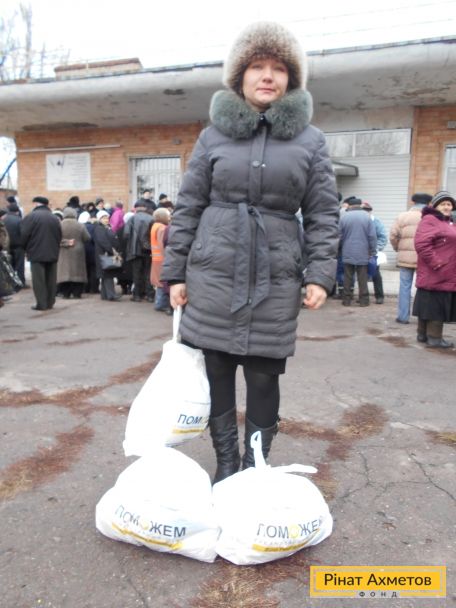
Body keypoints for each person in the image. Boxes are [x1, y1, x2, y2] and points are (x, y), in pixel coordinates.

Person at [161, 22, 339, 483]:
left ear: (291, 79)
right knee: (217, 371)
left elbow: (323, 213)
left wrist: (320, 273)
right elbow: (188, 206)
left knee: (263, 376)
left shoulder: (311, 140)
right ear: (240, 75)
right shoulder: (212, 137)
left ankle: (253, 468)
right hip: (213, 274)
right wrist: (174, 273)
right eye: (257, 66)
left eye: (279, 68)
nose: (267, 76)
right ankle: (225, 464)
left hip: (275, 277)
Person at [412, 190, 456, 349]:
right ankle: (435, 338)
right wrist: (437, 263)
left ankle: (423, 334)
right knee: (436, 306)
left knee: (428, 303)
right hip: (437, 271)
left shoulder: (446, 222)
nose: (447, 207)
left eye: (449, 204)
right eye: (443, 204)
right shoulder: (431, 220)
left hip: (443, 272)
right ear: (435, 206)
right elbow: (422, 244)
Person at [389, 192, 433, 323]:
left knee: (404, 287)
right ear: (429, 203)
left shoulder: (402, 216)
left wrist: (398, 248)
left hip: (405, 259)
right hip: (425, 258)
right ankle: (423, 318)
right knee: (424, 288)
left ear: (413, 202)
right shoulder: (432, 217)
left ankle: (403, 317)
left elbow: (393, 236)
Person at [21, 196, 62, 311]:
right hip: (52, 252)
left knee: (39, 280)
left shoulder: (31, 217)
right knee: (51, 279)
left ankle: (41, 303)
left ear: (36, 204)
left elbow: (24, 235)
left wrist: (25, 248)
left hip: (36, 252)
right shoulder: (54, 218)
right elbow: (59, 235)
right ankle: (50, 302)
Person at [339, 197, 377, 306]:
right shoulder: (367, 217)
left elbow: (339, 236)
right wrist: (373, 251)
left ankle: (346, 300)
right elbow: (372, 236)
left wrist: (339, 249)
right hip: (363, 252)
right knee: (362, 277)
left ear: (350, 206)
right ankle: (364, 301)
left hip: (347, 251)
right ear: (360, 205)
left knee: (347, 277)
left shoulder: (344, 217)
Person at [123, 201, 155, 302]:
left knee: (137, 273)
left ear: (136, 208)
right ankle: (149, 295)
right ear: (145, 208)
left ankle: (137, 295)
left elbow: (126, 235)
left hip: (135, 250)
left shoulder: (132, 219)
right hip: (148, 250)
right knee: (148, 273)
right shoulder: (151, 218)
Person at [57, 207, 90, 298]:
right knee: (78, 273)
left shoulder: (59, 225)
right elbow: (87, 238)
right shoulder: (80, 225)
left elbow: (55, 238)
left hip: (63, 251)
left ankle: (66, 294)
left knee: (65, 273)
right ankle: (77, 293)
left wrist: (65, 242)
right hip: (78, 252)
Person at [92, 210, 121, 301]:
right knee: (108, 274)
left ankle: (105, 294)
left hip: (105, 254)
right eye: (104, 218)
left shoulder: (105, 227)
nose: (106, 220)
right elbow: (103, 241)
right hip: (104, 254)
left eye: (107, 218)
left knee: (105, 275)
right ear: (99, 219)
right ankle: (111, 295)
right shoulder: (99, 228)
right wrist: (112, 250)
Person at [362, 202, 387, 304]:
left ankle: (379, 296)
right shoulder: (360, 221)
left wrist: (376, 249)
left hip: (373, 253)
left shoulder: (376, 222)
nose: (366, 213)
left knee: (375, 274)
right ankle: (364, 296)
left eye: (367, 211)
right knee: (362, 275)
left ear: (370, 211)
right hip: (361, 252)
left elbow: (383, 237)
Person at [150, 207, 172, 314]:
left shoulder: (155, 226)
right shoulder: (162, 228)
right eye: (168, 215)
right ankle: (160, 304)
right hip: (161, 259)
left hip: (156, 258)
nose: (169, 218)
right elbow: (162, 244)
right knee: (162, 282)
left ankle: (159, 303)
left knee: (159, 281)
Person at [3, 202, 26, 288]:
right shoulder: (19, 220)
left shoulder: (3, 220)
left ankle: (10, 283)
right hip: (18, 246)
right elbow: (23, 233)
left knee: (9, 266)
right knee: (20, 266)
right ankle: (21, 283)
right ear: (17, 211)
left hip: (7, 246)